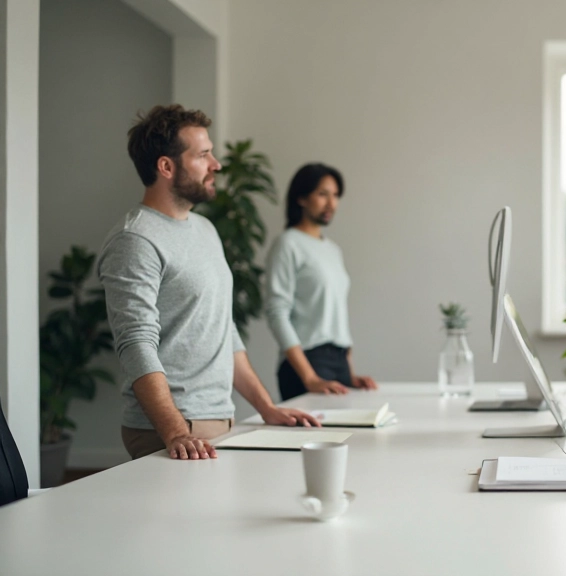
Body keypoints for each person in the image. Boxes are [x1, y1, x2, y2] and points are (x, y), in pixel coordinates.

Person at [99, 104, 320, 461]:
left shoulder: (205, 229)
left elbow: (224, 330)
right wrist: (175, 432)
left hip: (219, 419)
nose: (216, 164)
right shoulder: (135, 240)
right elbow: (136, 343)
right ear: (166, 166)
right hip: (171, 429)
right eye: (203, 155)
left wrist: (267, 408)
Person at [264, 163, 378, 401]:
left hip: (339, 360)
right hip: (307, 361)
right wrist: (309, 376)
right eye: (322, 194)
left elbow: (335, 314)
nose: (331, 204)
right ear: (302, 198)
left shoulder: (332, 250)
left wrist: (350, 374)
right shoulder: (288, 244)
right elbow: (277, 313)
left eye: (335, 196)